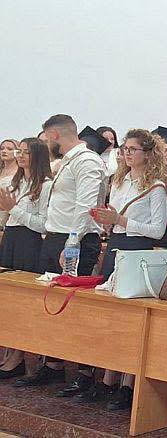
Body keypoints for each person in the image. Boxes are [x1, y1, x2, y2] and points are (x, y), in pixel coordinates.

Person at [14, 115, 106, 396]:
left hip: (75, 240)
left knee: (75, 306)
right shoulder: (66, 161)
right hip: (56, 238)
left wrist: (73, 242)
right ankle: (53, 364)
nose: (43, 146)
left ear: (54, 135)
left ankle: (84, 373)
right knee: (52, 302)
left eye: (44, 140)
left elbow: (85, 206)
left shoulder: (87, 161)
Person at [91, 128, 167, 411]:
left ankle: (128, 383)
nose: (127, 153)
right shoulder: (119, 181)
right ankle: (107, 377)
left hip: (137, 249)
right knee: (112, 315)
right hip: (116, 245)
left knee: (131, 320)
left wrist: (121, 221)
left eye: (133, 149)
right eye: (124, 149)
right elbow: (114, 219)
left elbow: (158, 231)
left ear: (147, 153)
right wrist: (106, 221)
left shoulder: (156, 187)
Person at [0, 137, 52, 380]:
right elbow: (8, 215)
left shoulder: (45, 185)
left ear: (38, 156)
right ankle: (9, 351)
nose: (20, 156)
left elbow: (43, 224)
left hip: (29, 242)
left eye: (25, 152)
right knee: (7, 299)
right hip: (10, 237)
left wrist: (14, 209)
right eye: (18, 152)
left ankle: (19, 356)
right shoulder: (16, 181)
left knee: (22, 301)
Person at [0, 139, 19, 228]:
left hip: (8, 215)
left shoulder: (20, 172)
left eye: (9, 149)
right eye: (2, 148)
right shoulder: (1, 170)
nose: (4, 151)